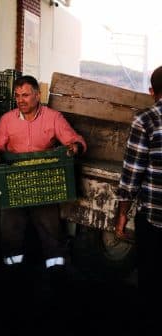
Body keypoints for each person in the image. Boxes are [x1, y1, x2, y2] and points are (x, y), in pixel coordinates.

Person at [0, 75, 87, 295]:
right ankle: (13, 278)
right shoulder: (7, 120)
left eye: (25, 95)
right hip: (14, 184)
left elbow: (74, 139)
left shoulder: (53, 118)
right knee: (10, 232)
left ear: (37, 95)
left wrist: (74, 147)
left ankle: (57, 278)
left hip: (44, 186)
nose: (20, 100)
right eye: (17, 95)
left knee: (51, 232)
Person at [114, 65, 162, 327]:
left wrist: (121, 215)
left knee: (151, 279)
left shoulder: (145, 119)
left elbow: (132, 174)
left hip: (154, 218)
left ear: (152, 91)